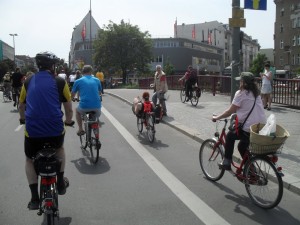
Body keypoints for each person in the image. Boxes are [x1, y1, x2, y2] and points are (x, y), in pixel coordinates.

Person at [18, 51, 74, 210]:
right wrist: (69, 122)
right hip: (55, 130)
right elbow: (69, 108)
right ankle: (61, 183)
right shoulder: (60, 82)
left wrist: (22, 119)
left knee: (29, 159)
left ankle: (34, 198)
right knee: (60, 149)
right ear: (53, 66)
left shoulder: (28, 81)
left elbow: (21, 105)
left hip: (33, 131)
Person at [212, 72, 266, 170]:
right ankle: (250, 169)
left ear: (244, 83)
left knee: (229, 136)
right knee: (242, 146)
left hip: (249, 128)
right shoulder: (256, 94)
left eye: (240, 81)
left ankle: (227, 162)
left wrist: (217, 117)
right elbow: (250, 109)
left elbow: (230, 111)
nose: (239, 82)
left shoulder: (240, 93)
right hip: (261, 127)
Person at [71, 65, 102, 136]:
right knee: (95, 120)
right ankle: (96, 136)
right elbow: (99, 92)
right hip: (97, 108)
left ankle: (80, 129)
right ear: (91, 72)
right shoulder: (97, 80)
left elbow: (72, 94)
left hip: (84, 107)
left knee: (77, 111)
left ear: (82, 72)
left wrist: (72, 98)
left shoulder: (78, 81)